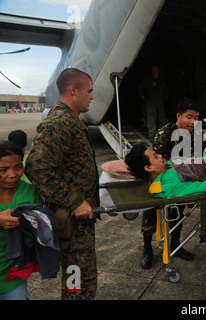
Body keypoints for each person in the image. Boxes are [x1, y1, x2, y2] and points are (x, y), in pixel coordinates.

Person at [25, 68, 99, 300]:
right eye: (89, 91)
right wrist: (75, 201)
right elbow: (36, 166)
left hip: (79, 222)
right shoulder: (59, 123)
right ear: (72, 90)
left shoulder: (70, 121)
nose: (92, 96)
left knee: (80, 278)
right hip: (72, 222)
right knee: (77, 281)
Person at [137, 98, 200, 269]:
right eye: (189, 117)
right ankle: (147, 249)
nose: (193, 122)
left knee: (177, 213)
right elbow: (157, 164)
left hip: (180, 179)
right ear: (178, 116)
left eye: (196, 117)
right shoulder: (165, 133)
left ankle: (176, 245)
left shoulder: (195, 134)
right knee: (150, 214)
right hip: (159, 179)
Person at [0, 140, 43, 300]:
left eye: (18, 167)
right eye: (3, 170)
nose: (12, 174)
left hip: (12, 279)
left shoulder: (30, 193)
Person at [138, 65, 169, 138]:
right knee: (151, 118)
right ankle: (152, 135)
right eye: (153, 71)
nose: (155, 72)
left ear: (158, 71)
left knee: (161, 118)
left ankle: (161, 134)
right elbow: (140, 88)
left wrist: (166, 97)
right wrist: (144, 97)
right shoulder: (148, 80)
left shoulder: (161, 80)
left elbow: (166, 90)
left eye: (156, 71)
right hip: (151, 102)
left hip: (160, 101)